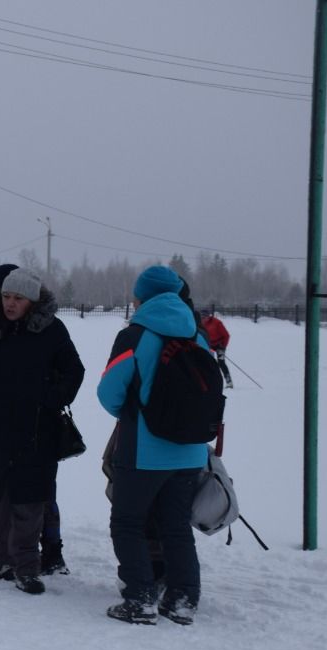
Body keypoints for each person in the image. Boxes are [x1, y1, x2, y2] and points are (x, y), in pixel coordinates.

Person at [0, 268, 84, 594]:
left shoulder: (52, 330)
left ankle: (26, 565)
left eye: (19, 298)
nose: (10, 304)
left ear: (33, 301)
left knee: (29, 502)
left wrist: (49, 399)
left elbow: (74, 371)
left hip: (37, 431)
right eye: (7, 297)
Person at [97, 265, 208, 625]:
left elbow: (109, 392)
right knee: (176, 525)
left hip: (144, 450)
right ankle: (183, 599)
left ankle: (140, 598)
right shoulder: (197, 333)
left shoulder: (135, 335)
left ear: (140, 297)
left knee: (127, 523)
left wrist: (132, 414)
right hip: (191, 451)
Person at [200, 309, 235, 389]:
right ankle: (209, 382)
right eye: (202, 317)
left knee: (221, 363)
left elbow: (226, 335)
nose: (203, 319)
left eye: (205, 317)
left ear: (209, 316)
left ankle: (229, 382)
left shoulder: (217, 323)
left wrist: (223, 346)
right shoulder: (201, 323)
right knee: (209, 362)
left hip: (220, 345)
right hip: (210, 346)